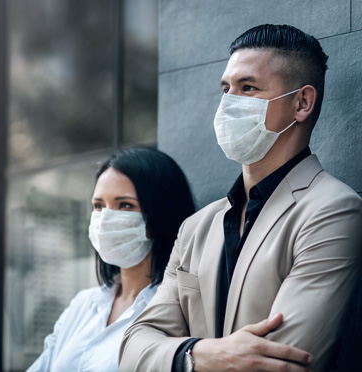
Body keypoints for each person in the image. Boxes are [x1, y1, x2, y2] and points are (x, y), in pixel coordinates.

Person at [119, 24, 362, 372]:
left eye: (248, 88)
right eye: (226, 89)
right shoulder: (195, 227)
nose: (229, 104)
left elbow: (281, 361)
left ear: (302, 102)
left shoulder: (333, 210)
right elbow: (132, 348)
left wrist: (173, 355)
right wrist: (200, 355)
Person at [27, 147, 195, 371]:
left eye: (125, 205)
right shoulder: (83, 304)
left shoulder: (179, 311)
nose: (105, 219)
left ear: (160, 213)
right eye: (98, 206)